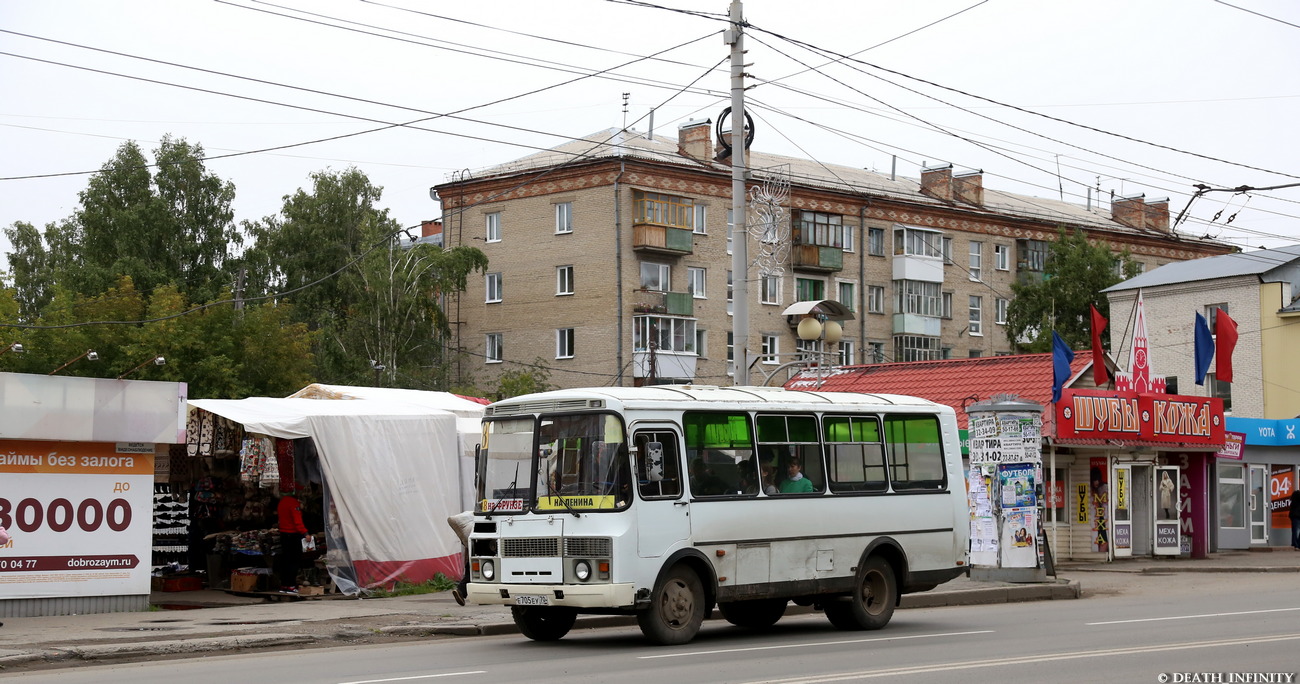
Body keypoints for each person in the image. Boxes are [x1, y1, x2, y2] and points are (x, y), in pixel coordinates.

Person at [276, 484, 309, 593]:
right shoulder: (294, 504)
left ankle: (284, 585)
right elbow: (297, 521)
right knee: (294, 561)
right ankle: (291, 585)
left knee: (286, 560)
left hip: (283, 534)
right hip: (293, 535)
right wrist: (306, 533)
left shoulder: (282, 502)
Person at [447, 510, 474, 605]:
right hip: (479, 543)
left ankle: (461, 591)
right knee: (475, 569)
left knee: (471, 568)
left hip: (473, 543)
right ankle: (461, 591)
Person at [1289, 486, 1300, 551]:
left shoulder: (1293, 501)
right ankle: (1296, 544)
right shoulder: (1297, 500)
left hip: (1294, 516)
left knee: (1295, 531)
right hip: (1297, 516)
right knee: (1296, 531)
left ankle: (1295, 544)